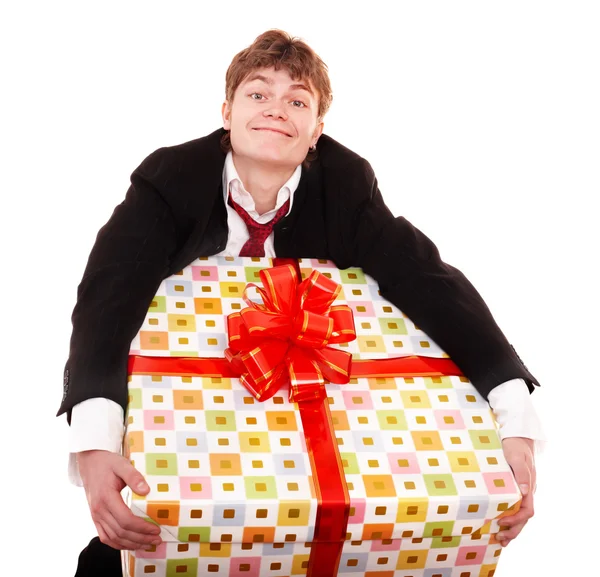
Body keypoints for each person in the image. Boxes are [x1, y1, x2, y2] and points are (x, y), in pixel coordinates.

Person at [59, 29, 545, 576]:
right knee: (126, 552)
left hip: (315, 440)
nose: (277, 110)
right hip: (196, 427)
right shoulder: (169, 180)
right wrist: (94, 445)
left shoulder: (345, 183)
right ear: (226, 111)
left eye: (298, 101)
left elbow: (430, 283)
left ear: (316, 131)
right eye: (258, 93)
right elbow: (107, 299)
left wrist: (514, 420)